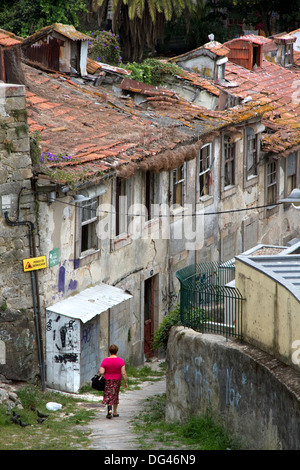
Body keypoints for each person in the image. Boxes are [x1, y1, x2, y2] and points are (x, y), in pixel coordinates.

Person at [99, 344, 128, 419]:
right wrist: (125, 382)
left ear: (109, 351)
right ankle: (115, 411)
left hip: (108, 380)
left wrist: (103, 371)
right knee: (115, 394)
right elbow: (123, 372)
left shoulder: (105, 360)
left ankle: (109, 410)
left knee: (109, 394)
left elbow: (101, 372)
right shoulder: (120, 361)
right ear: (117, 351)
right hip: (117, 380)